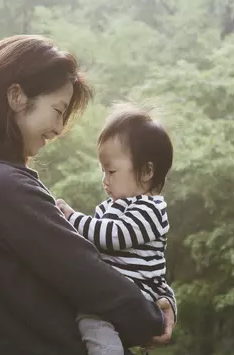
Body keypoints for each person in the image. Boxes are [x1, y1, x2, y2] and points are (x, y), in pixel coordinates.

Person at [0, 35, 175, 355]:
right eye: (58, 110)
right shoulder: (1, 185)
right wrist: (151, 318)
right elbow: (83, 271)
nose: (59, 128)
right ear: (16, 96)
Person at [55, 102, 177, 355]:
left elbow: (114, 236)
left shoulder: (151, 210)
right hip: (114, 296)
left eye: (111, 171)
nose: (105, 180)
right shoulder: (109, 209)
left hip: (139, 297)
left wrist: (71, 218)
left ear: (146, 171)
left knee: (93, 323)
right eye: (102, 170)